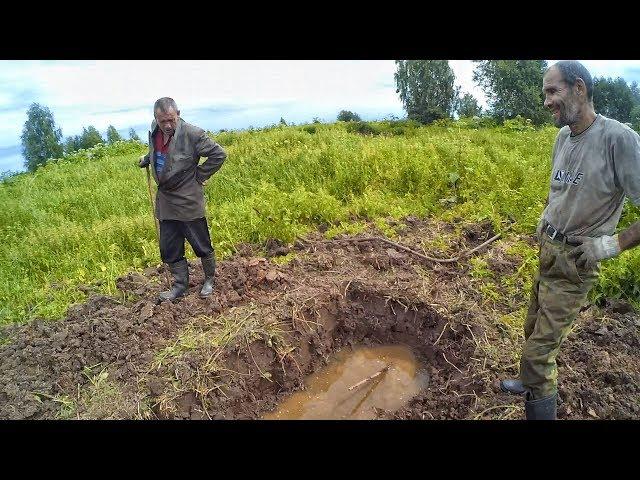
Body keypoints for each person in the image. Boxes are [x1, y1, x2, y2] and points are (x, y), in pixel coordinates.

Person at [500, 61, 640, 419]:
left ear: (579, 88)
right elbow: (558, 188)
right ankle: (530, 382)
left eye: (552, 91)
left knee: (539, 352)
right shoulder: (563, 136)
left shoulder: (618, 139)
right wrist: (545, 218)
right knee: (533, 326)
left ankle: (537, 393)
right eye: (545, 92)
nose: (546, 101)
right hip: (549, 251)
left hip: (576, 261)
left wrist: (612, 244)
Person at [139, 97, 227, 302]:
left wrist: (200, 175)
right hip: (166, 199)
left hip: (188, 198)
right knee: (169, 246)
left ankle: (209, 279)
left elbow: (219, 155)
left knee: (200, 242)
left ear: (178, 113)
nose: (168, 125)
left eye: (172, 120)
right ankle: (179, 286)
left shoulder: (192, 133)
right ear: (156, 119)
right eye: (163, 121)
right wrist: (147, 159)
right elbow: (161, 152)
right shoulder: (154, 130)